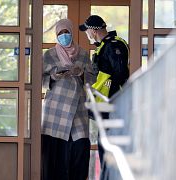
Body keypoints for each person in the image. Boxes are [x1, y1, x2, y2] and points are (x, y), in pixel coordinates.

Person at [41, 19, 96, 180]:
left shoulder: (84, 54)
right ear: (56, 35)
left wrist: (82, 74)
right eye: (60, 33)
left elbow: (93, 81)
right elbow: (38, 79)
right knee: (55, 151)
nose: (64, 36)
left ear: (71, 33)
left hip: (78, 108)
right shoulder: (49, 55)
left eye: (66, 32)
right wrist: (53, 77)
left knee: (80, 148)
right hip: (56, 109)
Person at [79, 15, 130, 179]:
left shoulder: (114, 45)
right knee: (104, 146)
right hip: (104, 105)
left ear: (93, 31)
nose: (86, 33)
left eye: (87, 30)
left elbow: (120, 75)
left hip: (112, 105)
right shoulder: (103, 46)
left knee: (109, 148)